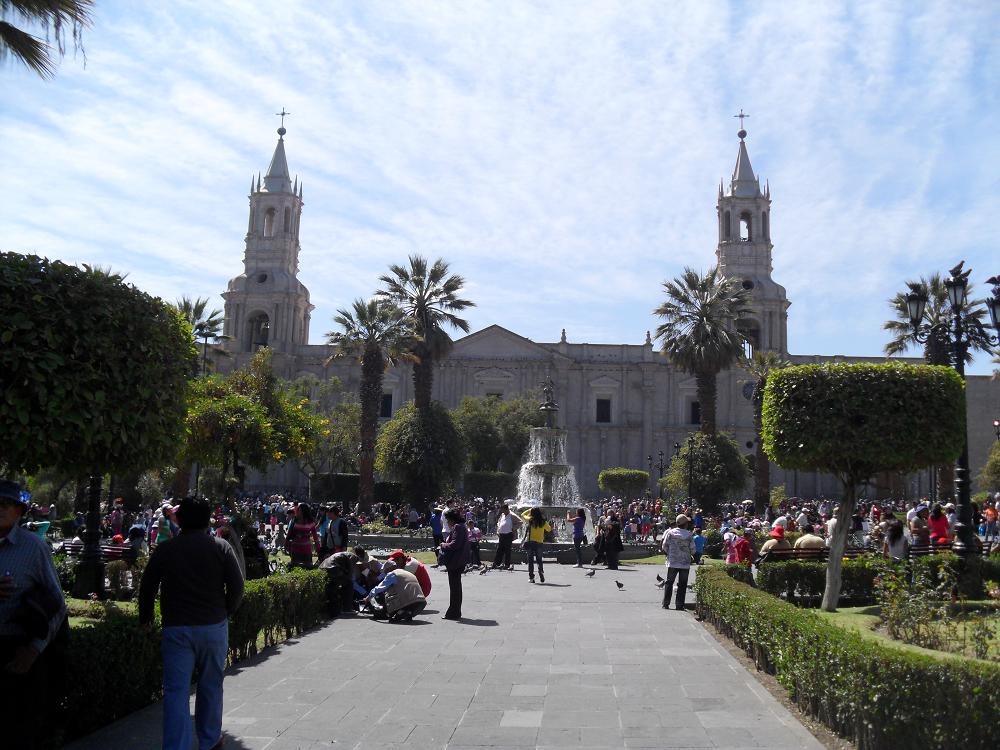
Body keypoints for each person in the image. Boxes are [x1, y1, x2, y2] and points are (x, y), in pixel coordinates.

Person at [138, 496, 245, 750]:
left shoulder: (167, 549)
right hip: (213, 625)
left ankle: (177, 745)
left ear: (180, 519)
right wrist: (225, 611)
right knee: (210, 685)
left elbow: (148, 586)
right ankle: (209, 740)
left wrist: (146, 619)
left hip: (177, 627)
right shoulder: (220, 547)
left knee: (176, 693)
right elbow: (238, 587)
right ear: (207, 520)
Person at [0, 480, 68, 750]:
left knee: (18, 732)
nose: (1, 509)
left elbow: (57, 605)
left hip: (18, 650)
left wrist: (34, 649)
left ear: (19, 511)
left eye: (6, 504)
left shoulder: (33, 548)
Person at [362, 560, 427, 622]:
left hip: (410, 601)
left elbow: (379, 588)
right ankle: (406, 612)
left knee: (388, 598)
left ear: (390, 568)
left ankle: (402, 611)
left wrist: (368, 597)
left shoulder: (392, 574)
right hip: (421, 601)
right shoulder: (407, 573)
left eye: (385, 571)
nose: (385, 574)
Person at [438, 509, 469, 620]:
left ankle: (453, 612)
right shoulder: (462, 526)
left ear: (451, 519)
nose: (447, 522)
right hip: (459, 561)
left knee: (455, 588)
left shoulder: (458, 527)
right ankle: (455, 611)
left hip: (455, 561)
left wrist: (443, 545)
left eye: (447, 520)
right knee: (456, 587)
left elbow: (455, 545)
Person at [661, 514, 693, 611]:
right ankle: (679, 604)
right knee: (682, 584)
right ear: (685, 524)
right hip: (685, 563)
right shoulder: (689, 534)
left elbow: (664, 546)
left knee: (669, 582)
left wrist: (670, 554)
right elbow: (693, 549)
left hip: (673, 562)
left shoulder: (670, 533)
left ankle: (666, 603)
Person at [520, 507, 552, 583]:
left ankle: (531, 578)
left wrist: (529, 510)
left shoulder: (530, 520)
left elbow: (522, 515)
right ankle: (540, 571)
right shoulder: (543, 522)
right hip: (539, 543)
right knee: (539, 560)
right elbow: (549, 529)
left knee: (530, 561)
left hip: (531, 543)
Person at [286, 503, 320, 569]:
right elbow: (289, 534)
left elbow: (315, 536)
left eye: (299, 510)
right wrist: (286, 544)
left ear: (304, 511)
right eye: (298, 510)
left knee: (307, 567)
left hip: (306, 548)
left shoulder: (310, 522)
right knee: (295, 568)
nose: (297, 512)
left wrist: (318, 548)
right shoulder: (294, 521)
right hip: (295, 547)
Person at [493, 503, 516, 570]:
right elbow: (499, 523)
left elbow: (520, 522)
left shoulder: (512, 515)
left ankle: (507, 564)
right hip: (502, 535)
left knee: (507, 550)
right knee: (499, 549)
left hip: (508, 534)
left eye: (503, 509)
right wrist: (498, 530)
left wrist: (513, 528)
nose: (502, 511)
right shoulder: (502, 515)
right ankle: (497, 563)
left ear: (506, 509)